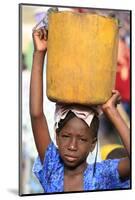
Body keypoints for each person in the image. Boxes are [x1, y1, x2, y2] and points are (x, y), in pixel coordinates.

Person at [30, 27, 130, 193]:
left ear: (93, 144)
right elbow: (36, 114)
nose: (72, 146)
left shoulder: (101, 176)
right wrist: (39, 53)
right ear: (56, 135)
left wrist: (111, 111)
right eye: (66, 136)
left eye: (82, 139)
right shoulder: (52, 168)